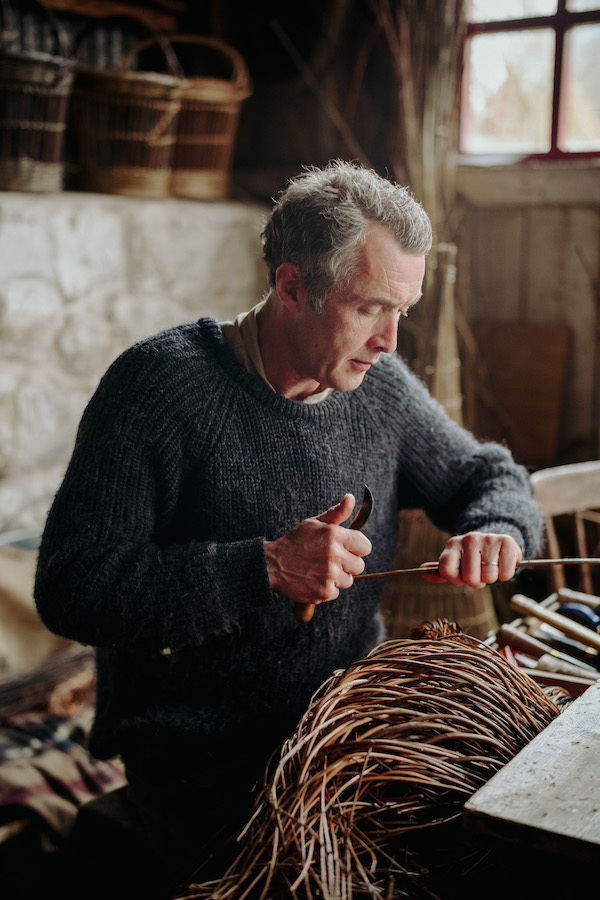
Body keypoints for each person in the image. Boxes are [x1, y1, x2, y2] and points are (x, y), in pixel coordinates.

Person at [34, 160, 543, 895]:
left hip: (346, 725)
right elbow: (72, 586)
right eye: (370, 308)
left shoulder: (381, 392)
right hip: (200, 754)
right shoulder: (159, 389)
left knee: (499, 853)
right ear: (292, 286)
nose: (391, 340)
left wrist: (499, 529)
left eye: (405, 309)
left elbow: (490, 476)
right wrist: (263, 568)